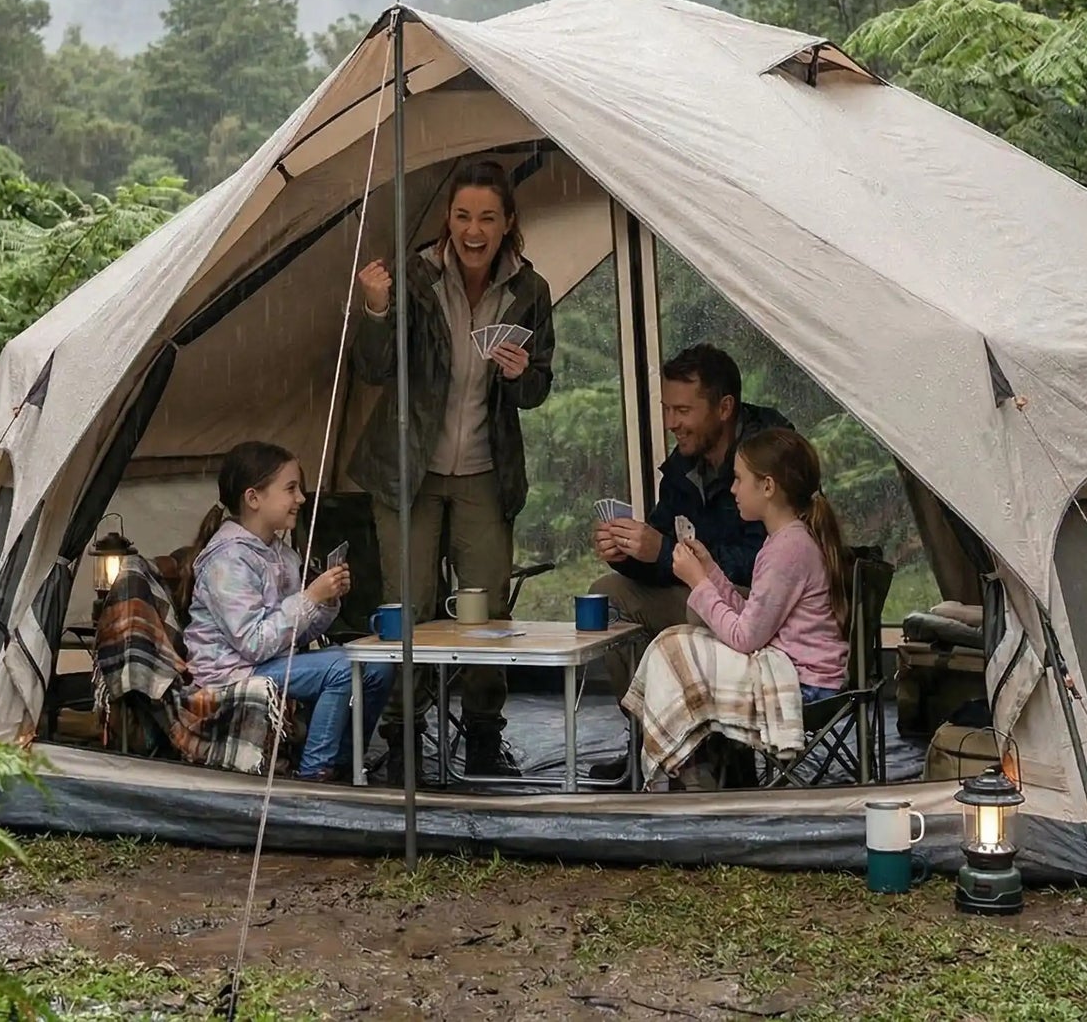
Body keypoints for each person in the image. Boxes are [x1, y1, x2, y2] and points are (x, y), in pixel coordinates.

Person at [348, 157, 555, 778]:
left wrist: (522, 376)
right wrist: (378, 309)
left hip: (486, 471)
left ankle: (485, 738)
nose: (473, 229)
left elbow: (538, 386)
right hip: (406, 466)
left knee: (485, 612)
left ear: (507, 223)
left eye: (487, 217)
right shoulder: (415, 276)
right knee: (405, 605)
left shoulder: (529, 290)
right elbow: (375, 368)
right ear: (448, 218)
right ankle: (404, 739)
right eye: (463, 215)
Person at [588, 345, 790, 779]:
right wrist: (629, 554)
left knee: (697, 609)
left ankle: (720, 762)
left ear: (724, 407)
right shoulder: (685, 463)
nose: (670, 422)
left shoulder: (769, 453)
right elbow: (662, 551)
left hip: (759, 606)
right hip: (702, 590)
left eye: (682, 409)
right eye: (666, 408)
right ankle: (659, 744)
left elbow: (765, 559)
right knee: (607, 597)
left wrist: (663, 551)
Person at [184, 441, 394, 783]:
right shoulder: (228, 561)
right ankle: (314, 773)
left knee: (378, 665)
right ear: (254, 499)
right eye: (291, 489)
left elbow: (296, 634)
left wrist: (325, 601)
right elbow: (252, 643)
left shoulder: (280, 554)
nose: (301, 499)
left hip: (271, 661)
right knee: (342, 668)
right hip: (232, 671)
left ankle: (344, 761)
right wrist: (309, 597)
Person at [673, 427, 850, 706]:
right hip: (799, 676)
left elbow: (744, 637)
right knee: (684, 647)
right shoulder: (784, 540)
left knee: (680, 656)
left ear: (768, 487)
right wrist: (709, 570)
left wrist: (698, 583)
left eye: (739, 479)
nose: (732, 489)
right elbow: (752, 621)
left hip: (807, 686)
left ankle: (692, 747)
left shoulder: (788, 550)